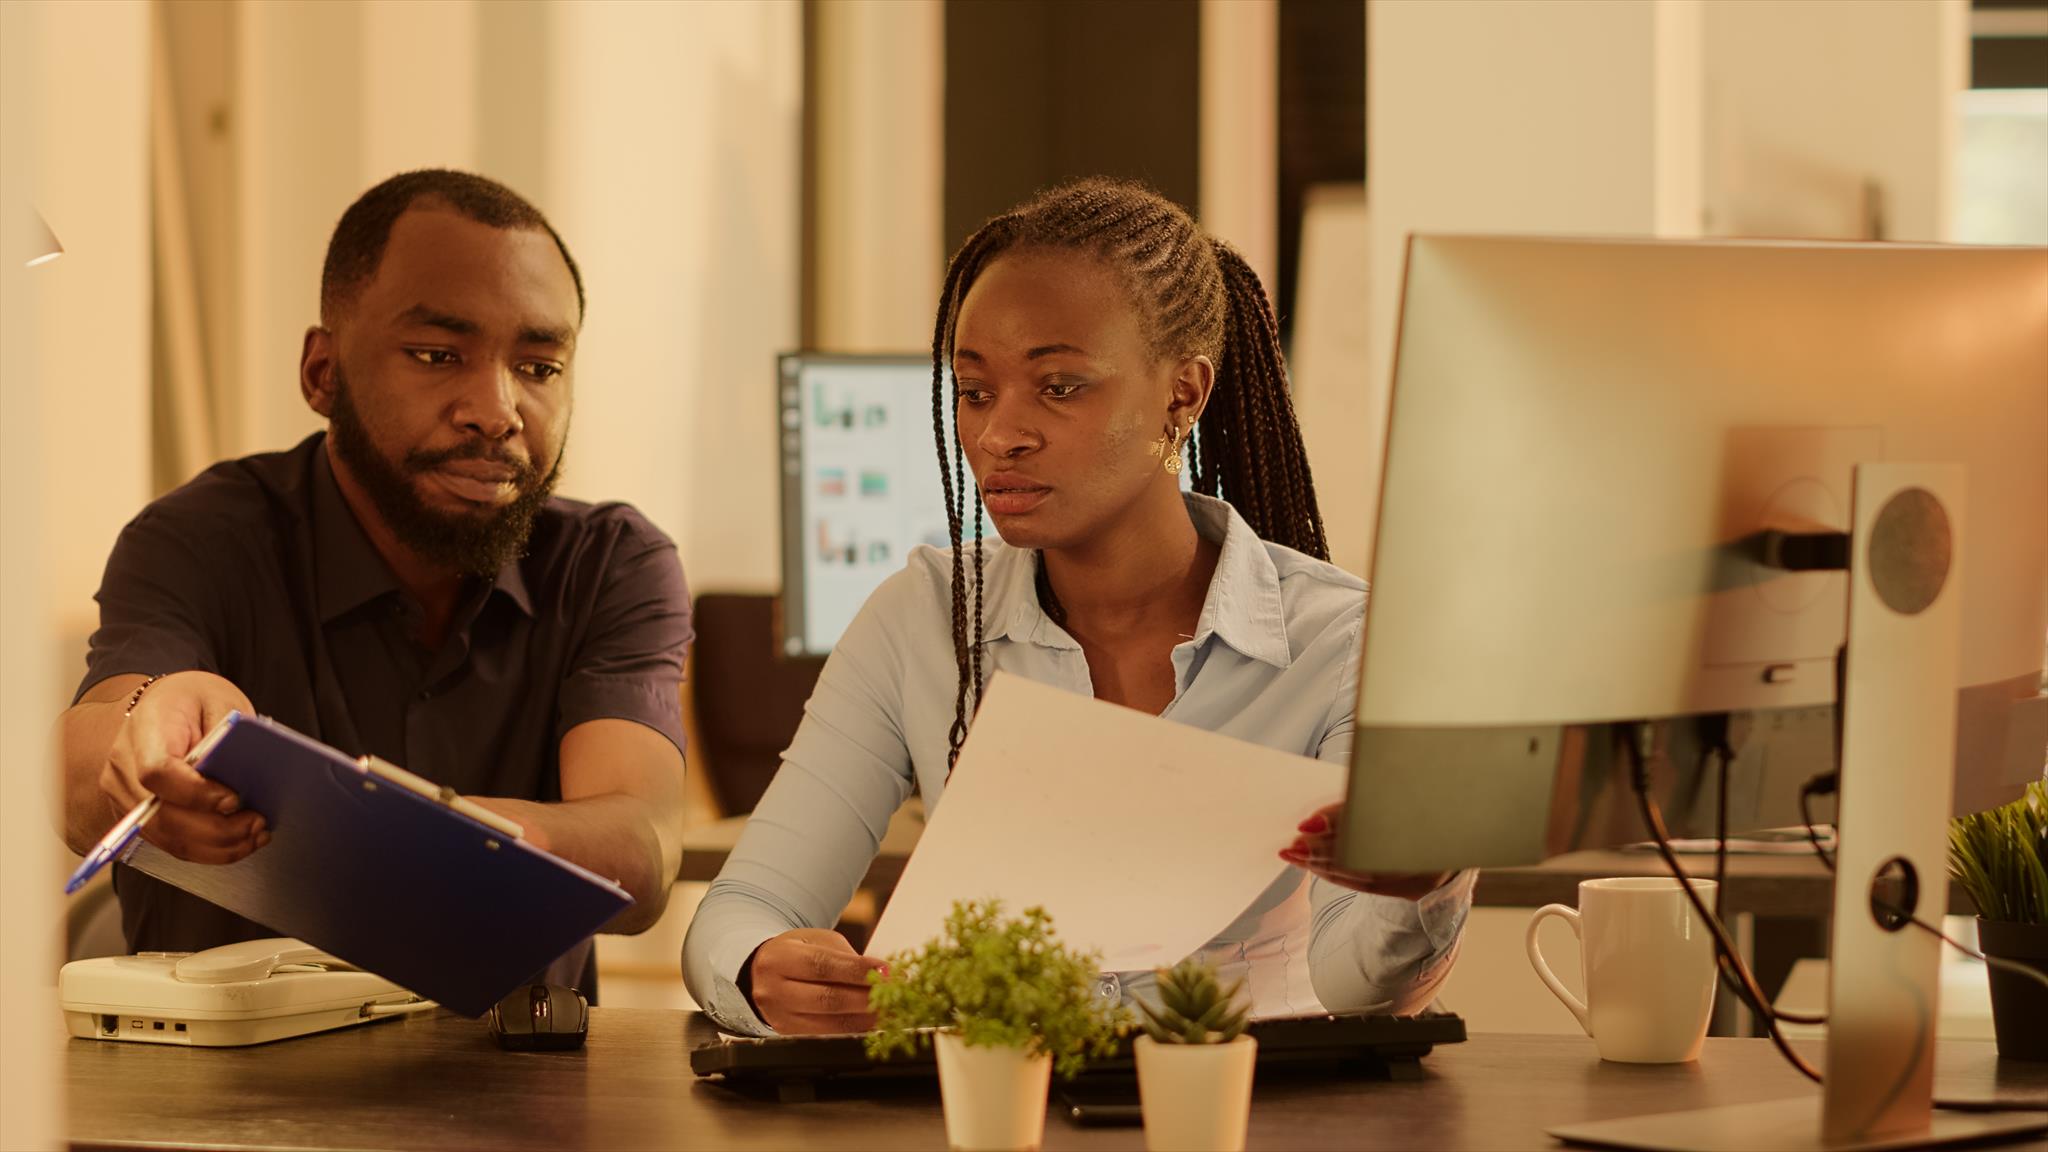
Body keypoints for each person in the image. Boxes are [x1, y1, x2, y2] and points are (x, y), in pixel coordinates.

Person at [682, 178, 1471, 1036]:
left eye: (1059, 387)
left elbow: (1358, 988)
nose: (999, 435)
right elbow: (746, 906)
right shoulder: (923, 617)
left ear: (1182, 395)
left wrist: (1429, 880)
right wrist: (760, 969)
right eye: (975, 391)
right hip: (997, 1098)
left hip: (1249, 1100)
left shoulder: (1345, 644)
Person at [56, 170, 691, 999]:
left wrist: (417, 833)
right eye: (437, 356)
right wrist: (144, 736)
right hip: (231, 1076)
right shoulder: (199, 539)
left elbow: (643, 846)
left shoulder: (611, 563)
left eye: (539, 366)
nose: (497, 410)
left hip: (519, 1076)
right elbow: (81, 768)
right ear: (323, 372)